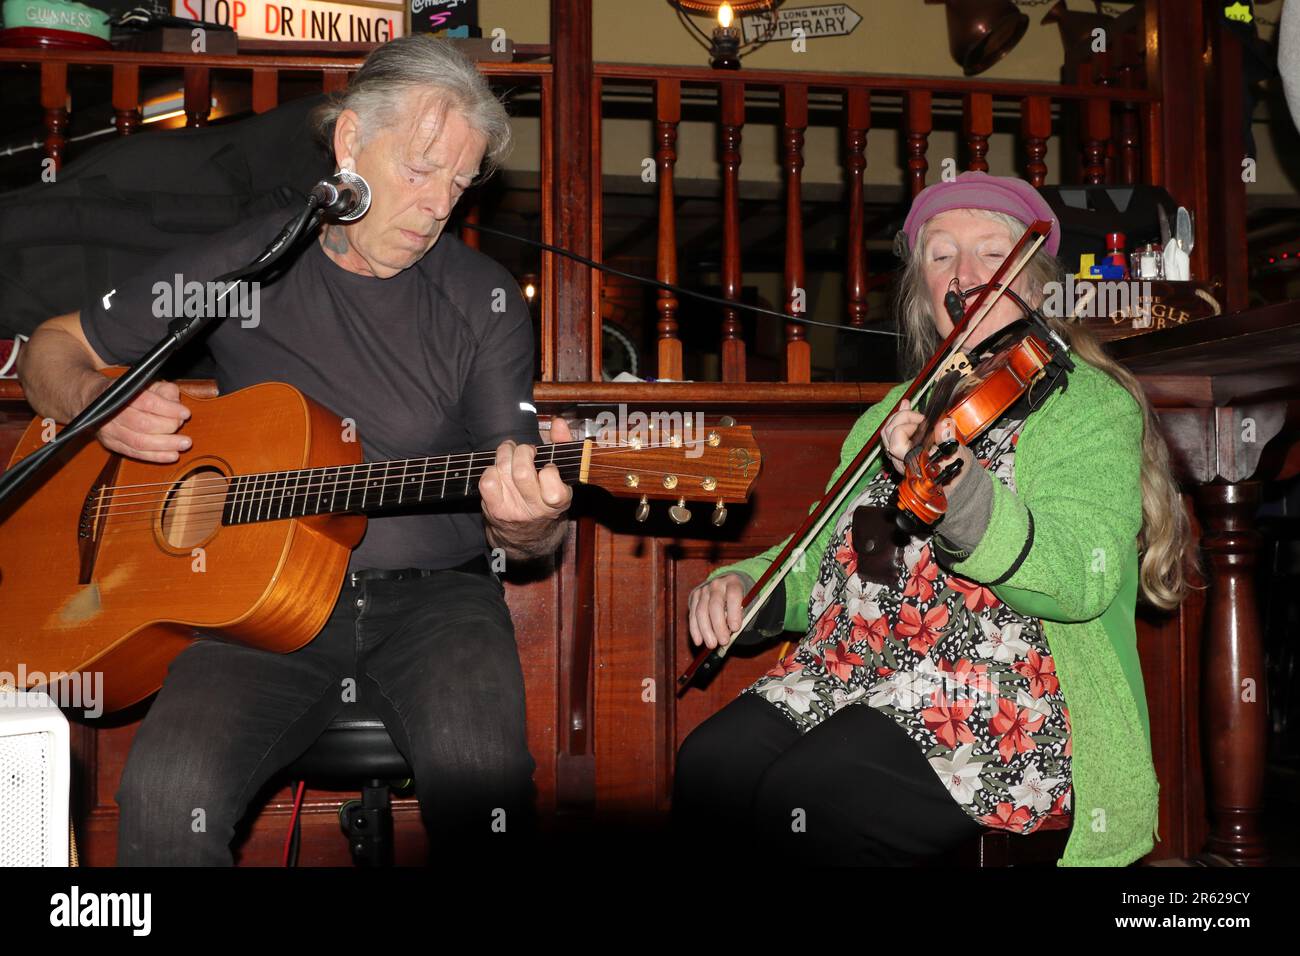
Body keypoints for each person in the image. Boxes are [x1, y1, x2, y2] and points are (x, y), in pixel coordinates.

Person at [16, 36, 570, 864]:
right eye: (420, 170)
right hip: (253, 607)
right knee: (165, 796)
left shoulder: (483, 299)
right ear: (350, 143)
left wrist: (529, 524)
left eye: (456, 185)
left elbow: (527, 523)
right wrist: (99, 406)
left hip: (437, 607)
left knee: (486, 794)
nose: (433, 208)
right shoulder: (251, 259)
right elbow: (50, 349)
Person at [674, 171, 1194, 867]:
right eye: (941, 255)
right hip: (851, 674)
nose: (968, 272)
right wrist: (743, 587)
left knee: (813, 795)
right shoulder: (888, 414)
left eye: (991, 251)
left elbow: (1081, 578)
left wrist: (965, 495)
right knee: (711, 765)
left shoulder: (1085, 406)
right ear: (924, 291)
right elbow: (822, 565)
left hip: (1004, 695)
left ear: (1037, 284)